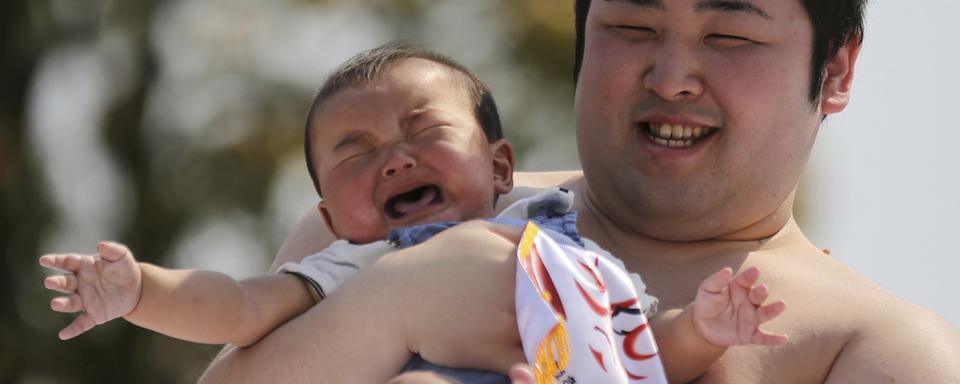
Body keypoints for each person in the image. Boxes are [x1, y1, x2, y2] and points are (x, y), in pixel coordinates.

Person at [201, 0, 960, 383]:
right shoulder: (375, 224)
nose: (670, 79)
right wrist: (399, 302)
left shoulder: (878, 348)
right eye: (631, 26)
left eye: (730, 37)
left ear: (835, 71)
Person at [40, 43, 787, 383]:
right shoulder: (346, 265)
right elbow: (235, 308)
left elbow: (641, 346)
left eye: (423, 132)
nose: (394, 159)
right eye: (356, 153)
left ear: (500, 166)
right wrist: (139, 291)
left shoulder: (559, 233)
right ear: (330, 215)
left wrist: (701, 329)